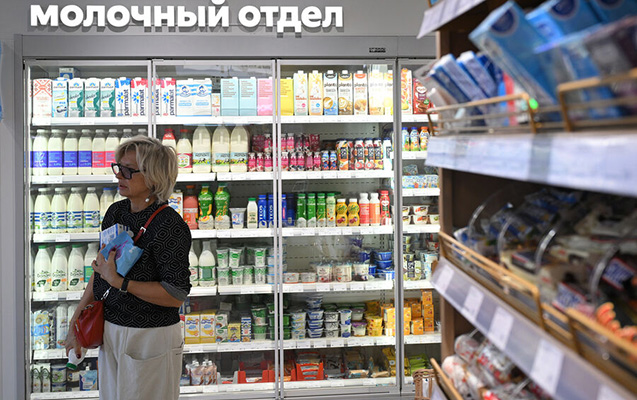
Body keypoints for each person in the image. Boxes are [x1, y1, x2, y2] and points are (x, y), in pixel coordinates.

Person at [65, 136, 191, 400]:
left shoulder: (170, 225)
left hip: (150, 338)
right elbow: (100, 271)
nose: (119, 175)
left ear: (153, 177)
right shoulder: (116, 212)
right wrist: (75, 322)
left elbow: (175, 294)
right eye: (118, 167)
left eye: (129, 170)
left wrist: (121, 283)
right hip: (111, 330)